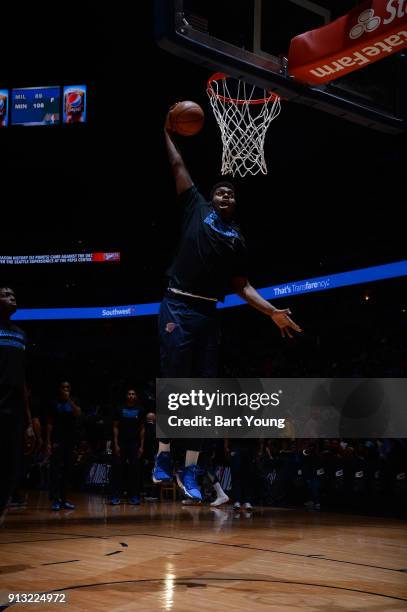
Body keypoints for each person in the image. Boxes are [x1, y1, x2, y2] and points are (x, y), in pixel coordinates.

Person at [152, 109, 302, 501]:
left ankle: (190, 468)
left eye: (231, 194)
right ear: (212, 195)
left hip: (207, 312)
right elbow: (177, 162)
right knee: (178, 384)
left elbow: (243, 286)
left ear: (235, 203)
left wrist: (272, 311)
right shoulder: (196, 207)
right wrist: (165, 131)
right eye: (221, 191)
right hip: (178, 305)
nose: (225, 195)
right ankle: (164, 455)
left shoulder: (237, 238)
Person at [0, 286, 35, 523]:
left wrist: (29, 422)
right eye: (5, 294)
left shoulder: (20, 335)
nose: (12, 297)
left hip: (13, 415)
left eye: (14, 294)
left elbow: (22, 381)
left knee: (10, 471)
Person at [46, 381, 80, 510]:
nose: (66, 389)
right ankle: (55, 499)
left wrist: (69, 400)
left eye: (68, 387)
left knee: (67, 470)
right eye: (63, 387)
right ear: (59, 389)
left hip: (70, 440)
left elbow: (78, 414)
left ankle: (64, 499)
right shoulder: (54, 403)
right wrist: (48, 442)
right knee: (56, 470)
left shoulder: (74, 401)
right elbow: (49, 423)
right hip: (57, 440)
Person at [110, 388, 145, 505]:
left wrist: (141, 446)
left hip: (134, 444)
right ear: (126, 396)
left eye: (133, 394)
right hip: (121, 443)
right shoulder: (120, 409)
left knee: (134, 470)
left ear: (136, 396)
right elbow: (115, 427)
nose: (131, 395)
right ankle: (115, 496)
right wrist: (116, 444)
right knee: (118, 469)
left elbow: (142, 429)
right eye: (129, 394)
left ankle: (134, 496)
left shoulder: (140, 410)